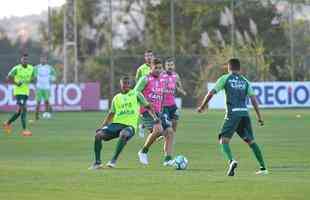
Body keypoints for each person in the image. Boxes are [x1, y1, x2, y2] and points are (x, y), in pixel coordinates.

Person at [197, 58, 268, 176]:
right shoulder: (245, 81)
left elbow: (211, 93)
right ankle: (263, 168)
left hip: (233, 113)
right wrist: (259, 117)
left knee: (223, 140)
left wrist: (202, 106)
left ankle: (231, 161)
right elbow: (253, 99)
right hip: (244, 113)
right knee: (251, 141)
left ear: (228, 68)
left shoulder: (225, 78)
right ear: (240, 69)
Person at [88, 76, 159, 170]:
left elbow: (148, 106)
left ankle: (113, 160)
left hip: (129, 126)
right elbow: (111, 114)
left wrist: (155, 118)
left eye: (127, 83)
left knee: (124, 134)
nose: (126, 85)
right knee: (98, 135)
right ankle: (97, 163)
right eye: (124, 84)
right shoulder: (116, 98)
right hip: (116, 125)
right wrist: (103, 127)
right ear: (120, 85)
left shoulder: (136, 94)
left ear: (130, 85)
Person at [135, 58, 175, 166]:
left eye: (160, 68)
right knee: (158, 130)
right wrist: (145, 103)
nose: (158, 70)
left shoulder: (162, 80)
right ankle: (143, 151)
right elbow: (136, 92)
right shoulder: (145, 79)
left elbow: (161, 97)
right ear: (151, 68)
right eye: (155, 68)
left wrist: (161, 110)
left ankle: (167, 159)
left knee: (170, 132)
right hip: (146, 111)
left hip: (158, 111)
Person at [2, 53, 34, 136]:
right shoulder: (16, 68)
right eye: (23, 59)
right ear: (21, 60)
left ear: (28, 60)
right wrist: (16, 83)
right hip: (19, 92)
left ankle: (7, 123)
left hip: (26, 92)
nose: (25, 61)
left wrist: (30, 79)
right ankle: (24, 130)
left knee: (19, 111)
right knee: (23, 109)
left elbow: (33, 76)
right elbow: (8, 78)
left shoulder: (31, 68)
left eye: (26, 59)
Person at [135, 50, 154, 138]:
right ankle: (145, 127)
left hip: (155, 93)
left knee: (154, 111)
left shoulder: (156, 67)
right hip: (145, 94)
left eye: (150, 55)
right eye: (147, 56)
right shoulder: (141, 69)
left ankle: (145, 127)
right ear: (145, 57)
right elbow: (137, 82)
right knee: (145, 111)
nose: (149, 57)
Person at [34, 55, 56, 120]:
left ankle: (47, 113)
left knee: (46, 101)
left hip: (47, 87)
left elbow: (54, 75)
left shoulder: (50, 68)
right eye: (42, 59)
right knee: (38, 102)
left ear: (46, 60)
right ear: (40, 60)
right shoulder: (36, 67)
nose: (43, 60)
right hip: (39, 87)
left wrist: (52, 78)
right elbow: (35, 76)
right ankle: (36, 115)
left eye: (44, 59)